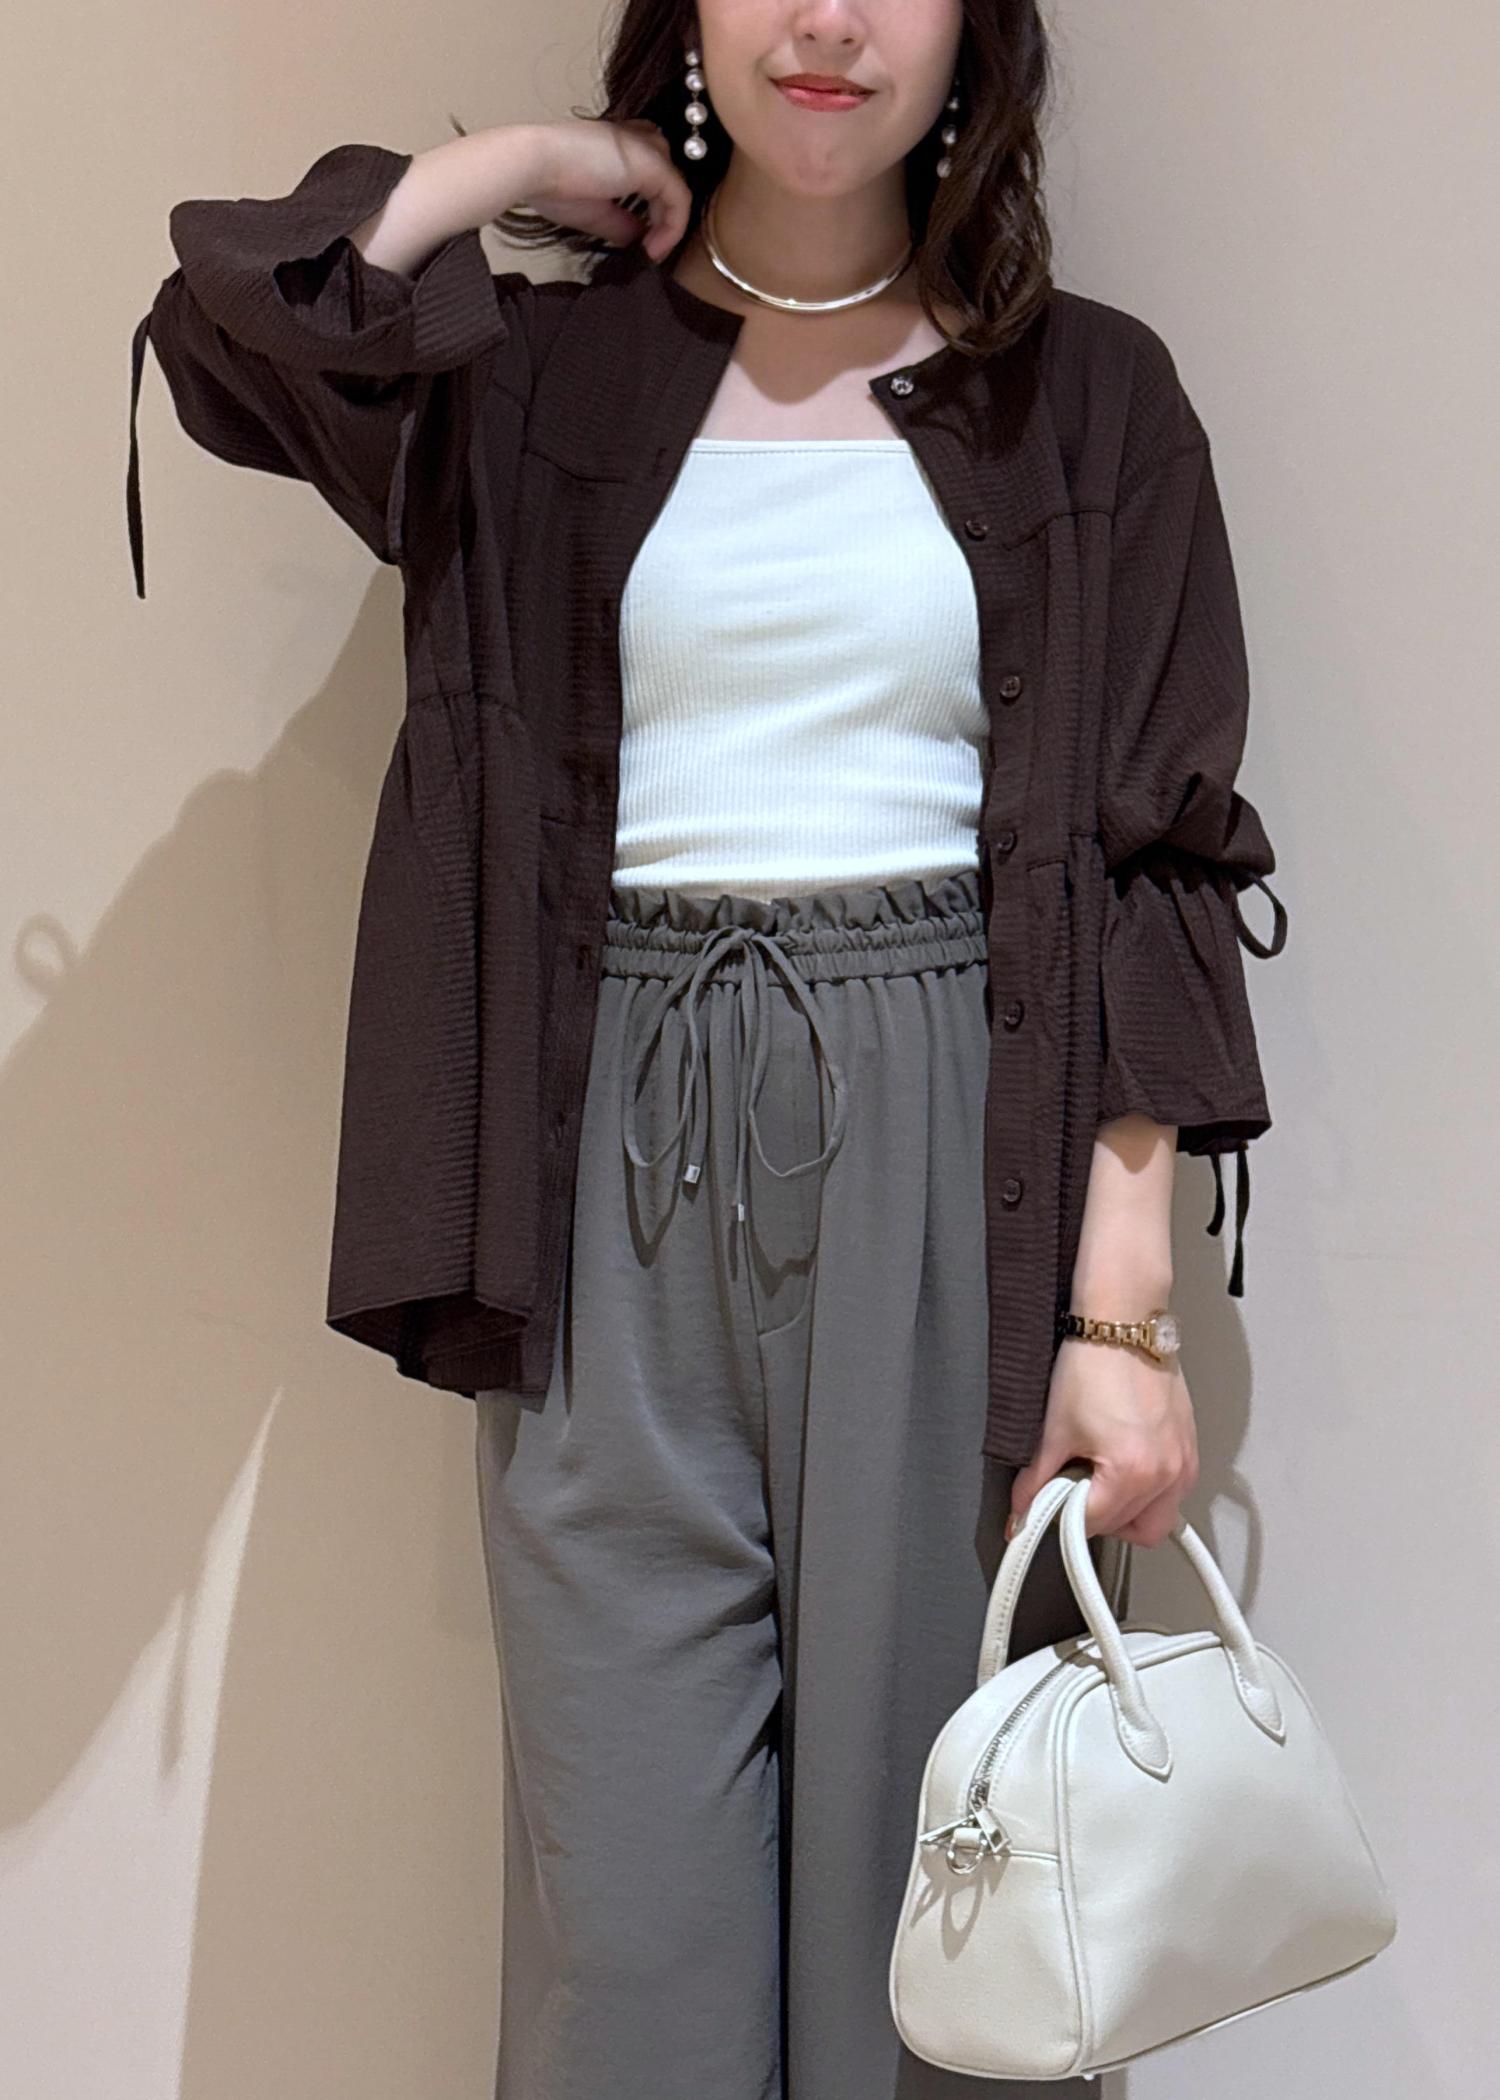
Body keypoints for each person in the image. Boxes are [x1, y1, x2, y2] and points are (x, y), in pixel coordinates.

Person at [128, 2, 1288, 2093]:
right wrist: (524, 174)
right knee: (630, 1950)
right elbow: (250, 327)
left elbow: (1157, 864)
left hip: (956, 1150)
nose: (828, 21)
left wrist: (1123, 1318)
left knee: (936, 1922)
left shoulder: (1091, 400)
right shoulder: (537, 382)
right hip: (604, 1174)